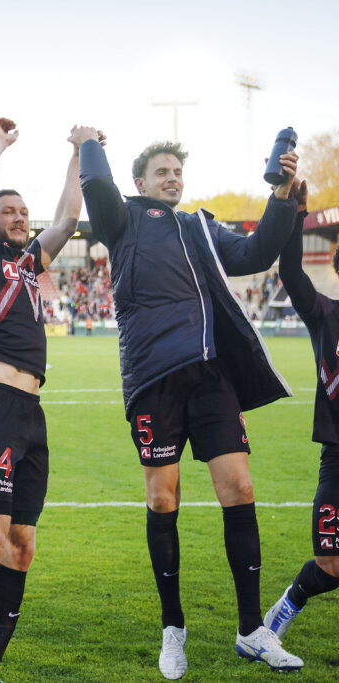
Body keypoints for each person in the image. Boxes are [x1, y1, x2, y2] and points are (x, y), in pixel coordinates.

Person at [78, 130, 303, 677]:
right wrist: (88, 143)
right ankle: (172, 627)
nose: (172, 179)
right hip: (153, 378)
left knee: (240, 488)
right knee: (162, 500)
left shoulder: (200, 224)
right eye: (162, 172)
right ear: (139, 183)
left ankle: (252, 630)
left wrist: (280, 196)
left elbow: (257, 253)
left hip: (210, 375)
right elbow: (96, 183)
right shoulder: (123, 221)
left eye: (177, 172)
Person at [0, 118, 89, 683]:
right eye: (9, 211)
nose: (18, 217)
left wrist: (80, 151)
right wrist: (2, 144)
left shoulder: (32, 263)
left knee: (21, 547)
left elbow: (68, 217)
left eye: (21, 212)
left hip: (32, 413)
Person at [264, 178, 339, 655]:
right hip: (338, 457)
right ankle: (285, 606)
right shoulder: (324, 314)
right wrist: (295, 211)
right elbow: (290, 271)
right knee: (331, 566)